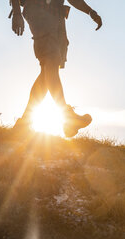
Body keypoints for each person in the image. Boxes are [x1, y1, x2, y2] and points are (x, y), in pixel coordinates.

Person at [10, 0, 102, 137]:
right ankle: (67, 117)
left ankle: (24, 124)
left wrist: (90, 11)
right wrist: (16, 12)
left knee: (47, 72)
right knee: (51, 62)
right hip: (38, 10)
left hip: (57, 15)